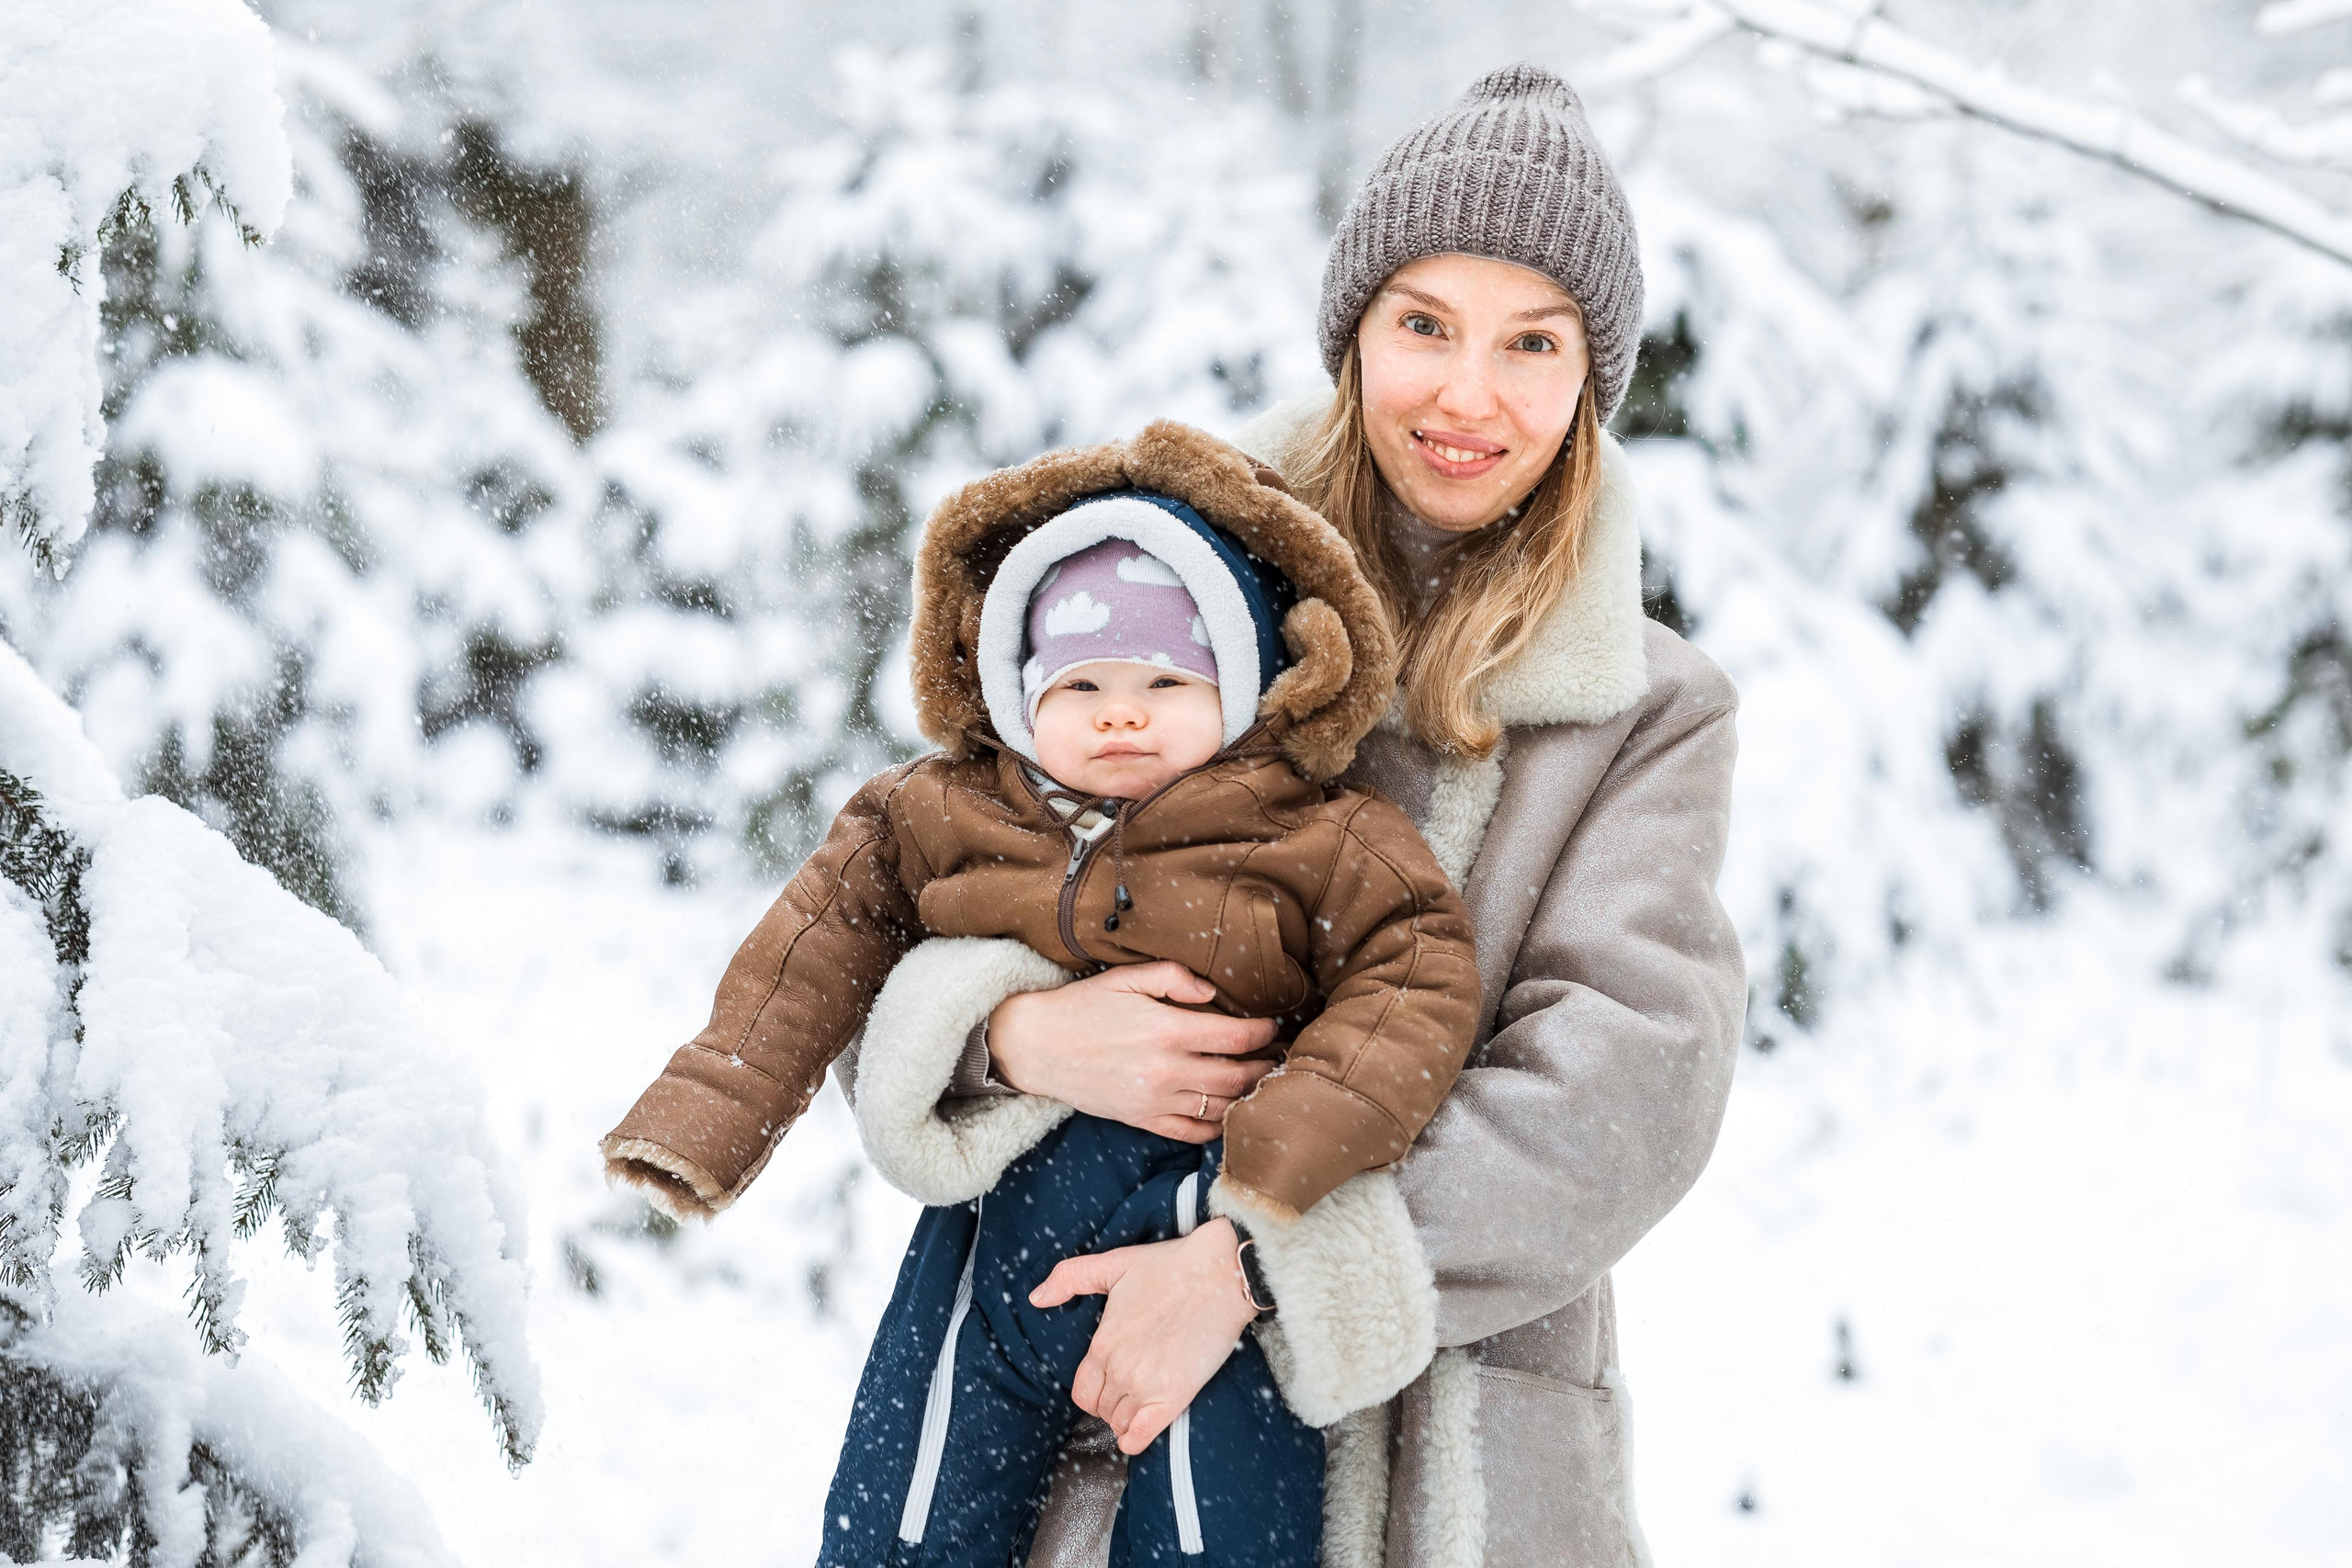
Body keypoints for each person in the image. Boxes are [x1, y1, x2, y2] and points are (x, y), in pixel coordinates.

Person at [835, 62, 1747, 1568]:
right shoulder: (1171, 600)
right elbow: (893, 898)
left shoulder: (1643, 711)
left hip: (1455, 1463)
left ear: (1591, 380)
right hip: (1104, 1428)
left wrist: (1259, 1258)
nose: (1472, 393)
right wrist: (1009, 1034)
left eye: (1534, 342)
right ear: (1355, 335)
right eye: (1428, 325)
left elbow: (1626, 1083)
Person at [598, 421, 1485, 1567]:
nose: (1122, 713)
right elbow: (808, 953)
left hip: (1200, 1214)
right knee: (906, 1498)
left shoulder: (1315, 830)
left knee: (1227, 1515)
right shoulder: (937, 812)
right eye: (1081, 684)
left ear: (1246, 686)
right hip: (992, 1234)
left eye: (1167, 680)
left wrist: (1289, 1151)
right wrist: (708, 1114)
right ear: (1017, 695)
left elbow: (1414, 972)